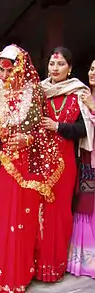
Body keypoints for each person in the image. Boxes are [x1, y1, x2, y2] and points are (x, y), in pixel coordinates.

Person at [0, 44, 65, 292]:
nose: (3, 75)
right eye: (0, 70)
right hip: (1, 163)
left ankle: (20, 275)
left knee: (23, 218)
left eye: (8, 70)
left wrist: (28, 139)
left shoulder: (33, 92)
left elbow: (41, 129)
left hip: (26, 164)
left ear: (20, 68)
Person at [39, 47, 94, 282]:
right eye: (52, 63)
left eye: (60, 64)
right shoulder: (39, 92)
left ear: (69, 68)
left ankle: (57, 265)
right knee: (39, 215)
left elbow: (84, 129)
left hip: (65, 163)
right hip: (39, 163)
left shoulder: (78, 93)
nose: (55, 68)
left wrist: (58, 127)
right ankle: (39, 265)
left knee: (61, 213)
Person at [67, 59, 95, 278]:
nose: (93, 73)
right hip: (86, 159)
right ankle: (84, 262)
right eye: (93, 68)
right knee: (85, 204)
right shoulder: (80, 95)